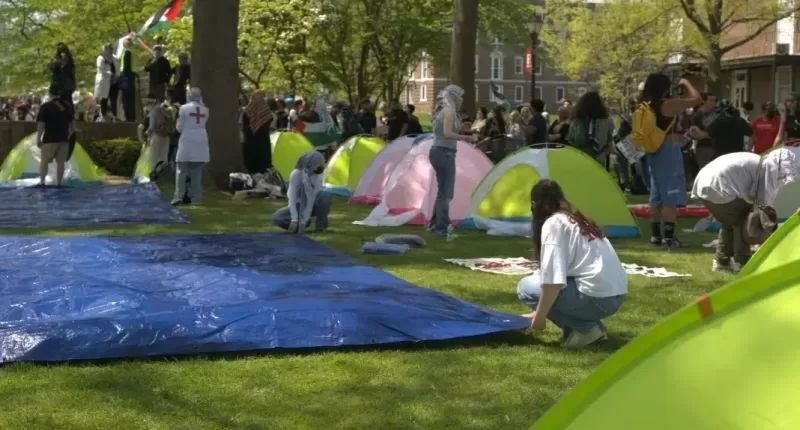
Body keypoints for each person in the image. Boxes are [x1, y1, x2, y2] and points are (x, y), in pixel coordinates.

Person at [517, 179, 627, 349]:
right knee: (537, 282)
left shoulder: (553, 224)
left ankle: (586, 330)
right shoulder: (576, 219)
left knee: (526, 287)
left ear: (535, 205)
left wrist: (539, 318)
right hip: (616, 295)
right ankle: (594, 328)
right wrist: (538, 310)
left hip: (597, 298)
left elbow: (552, 281)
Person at [691, 149, 797, 272]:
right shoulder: (770, 166)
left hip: (704, 184)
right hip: (718, 185)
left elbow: (755, 196)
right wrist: (768, 225)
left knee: (729, 223)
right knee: (742, 221)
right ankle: (742, 262)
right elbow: (764, 200)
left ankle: (722, 261)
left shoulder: (758, 161)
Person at [641, 74, 702, 248]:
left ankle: (656, 236)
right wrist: (685, 82)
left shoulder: (645, 105)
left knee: (656, 194)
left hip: (653, 149)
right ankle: (668, 237)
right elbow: (696, 99)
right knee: (670, 194)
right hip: (668, 150)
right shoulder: (668, 104)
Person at [429, 85, 479, 238]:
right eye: (459, 98)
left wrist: (467, 133)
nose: (460, 101)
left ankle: (435, 224)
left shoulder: (445, 111)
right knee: (447, 193)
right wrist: (467, 138)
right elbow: (447, 133)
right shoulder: (449, 111)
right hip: (444, 152)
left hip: (440, 152)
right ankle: (441, 228)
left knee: (443, 191)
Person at [272, 151, 332, 234]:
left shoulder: (318, 178)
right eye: (319, 164)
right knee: (277, 217)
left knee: (325, 196)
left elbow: (310, 200)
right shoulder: (296, 175)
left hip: (311, 205)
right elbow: (292, 199)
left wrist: (303, 220)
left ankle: (320, 227)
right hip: (298, 204)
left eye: (322, 164)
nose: (321, 167)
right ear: (310, 164)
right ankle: (300, 224)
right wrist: (294, 219)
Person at [173, 88, 209, 205]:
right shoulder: (205, 110)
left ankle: (178, 195)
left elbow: (179, 127)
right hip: (201, 139)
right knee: (197, 172)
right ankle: (196, 198)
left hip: (187, 139)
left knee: (181, 169)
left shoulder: (184, 108)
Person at [35, 84, 74, 187]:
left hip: (49, 139)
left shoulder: (45, 107)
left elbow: (41, 124)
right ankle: (59, 183)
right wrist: (69, 136)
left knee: (44, 161)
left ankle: (42, 182)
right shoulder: (67, 106)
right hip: (64, 139)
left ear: (50, 93)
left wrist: (38, 138)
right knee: (61, 163)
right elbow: (71, 126)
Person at [566, 91, 614, 168]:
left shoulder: (578, 122)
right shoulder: (607, 122)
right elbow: (609, 141)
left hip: (582, 159)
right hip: (599, 161)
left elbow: (573, 140)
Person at [241, 90, 275, 175]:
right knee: (263, 165)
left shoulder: (247, 111)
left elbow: (244, 127)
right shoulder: (266, 112)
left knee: (251, 165)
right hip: (263, 142)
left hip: (250, 142)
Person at [145, 94, 175, 180]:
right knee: (164, 157)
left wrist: (147, 134)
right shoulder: (166, 110)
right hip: (166, 137)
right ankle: (163, 177)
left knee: (154, 158)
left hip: (156, 136)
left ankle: (154, 177)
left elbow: (151, 126)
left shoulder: (153, 111)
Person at [689, 93, 718, 168]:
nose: (714, 102)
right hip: (704, 147)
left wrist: (703, 134)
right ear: (704, 101)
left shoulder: (717, 114)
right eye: (711, 100)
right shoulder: (697, 116)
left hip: (717, 147)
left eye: (715, 100)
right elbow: (694, 134)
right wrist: (709, 135)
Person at [48, 43, 76, 112]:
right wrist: (54, 63)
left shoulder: (68, 58)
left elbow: (65, 65)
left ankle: (69, 114)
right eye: (59, 48)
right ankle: (61, 113)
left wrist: (56, 62)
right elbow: (51, 67)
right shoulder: (56, 58)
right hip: (57, 83)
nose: (61, 50)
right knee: (56, 101)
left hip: (66, 84)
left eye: (62, 48)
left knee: (67, 100)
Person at [94, 44, 116, 121]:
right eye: (109, 50)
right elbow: (100, 68)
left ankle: (106, 115)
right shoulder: (100, 58)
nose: (110, 51)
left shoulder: (110, 59)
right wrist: (109, 73)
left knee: (106, 98)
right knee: (102, 98)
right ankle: (102, 115)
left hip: (108, 81)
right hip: (102, 80)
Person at [118, 37, 138, 122]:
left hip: (125, 76)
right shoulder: (133, 52)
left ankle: (127, 115)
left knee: (125, 96)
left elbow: (126, 66)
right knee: (131, 96)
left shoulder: (126, 52)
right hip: (131, 75)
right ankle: (131, 115)